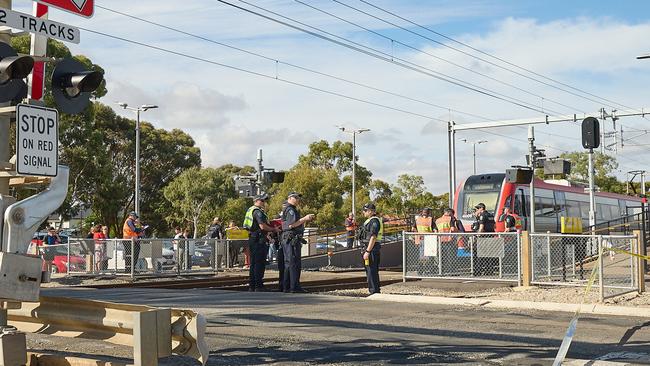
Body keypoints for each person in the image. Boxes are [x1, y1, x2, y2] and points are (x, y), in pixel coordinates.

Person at [243, 193, 280, 292]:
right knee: (259, 263)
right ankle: (258, 286)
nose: (264, 202)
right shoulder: (257, 212)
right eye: (262, 200)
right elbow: (262, 226)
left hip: (253, 238)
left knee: (254, 263)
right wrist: (273, 229)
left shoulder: (251, 210)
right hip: (259, 240)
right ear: (256, 201)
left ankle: (252, 285)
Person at [281, 192, 315, 293]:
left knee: (288, 263)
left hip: (287, 238)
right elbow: (292, 225)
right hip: (291, 239)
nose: (298, 200)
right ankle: (294, 287)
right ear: (290, 198)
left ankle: (286, 287)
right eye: (296, 198)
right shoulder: (291, 209)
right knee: (294, 263)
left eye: (298, 198)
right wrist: (305, 219)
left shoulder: (287, 209)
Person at [360, 203, 383, 294]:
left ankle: (374, 291)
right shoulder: (370, 220)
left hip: (371, 249)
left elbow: (373, 237)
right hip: (370, 249)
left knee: (371, 271)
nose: (363, 212)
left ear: (370, 211)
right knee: (370, 271)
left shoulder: (374, 221)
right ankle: (374, 290)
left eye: (365, 211)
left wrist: (368, 251)